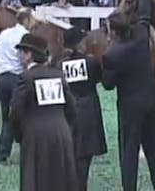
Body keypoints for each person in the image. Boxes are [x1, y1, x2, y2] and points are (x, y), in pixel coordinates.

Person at [102, 0, 155, 191]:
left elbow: (108, 84)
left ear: (113, 30)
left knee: (129, 153)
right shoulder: (141, 36)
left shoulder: (112, 54)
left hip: (130, 107)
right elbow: (145, 16)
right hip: (150, 101)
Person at [10, 33, 78, 191]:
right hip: (62, 133)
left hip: (36, 135)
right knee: (61, 180)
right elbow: (72, 108)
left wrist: (20, 135)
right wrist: (65, 127)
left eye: (21, 52)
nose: (19, 56)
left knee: (37, 181)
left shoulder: (26, 78)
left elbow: (15, 112)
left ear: (29, 55)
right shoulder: (58, 75)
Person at [60, 27, 107, 191]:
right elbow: (101, 79)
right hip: (88, 112)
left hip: (66, 113)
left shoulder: (60, 65)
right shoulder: (91, 62)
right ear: (79, 42)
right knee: (83, 162)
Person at [0, 8, 35, 164]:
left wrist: (5, 58)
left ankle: (3, 153)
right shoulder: (25, 36)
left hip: (2, 77)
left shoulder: (4, 33)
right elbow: (25, 58)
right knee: (21, 115)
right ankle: (23, 150)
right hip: (16, 77)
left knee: (7, 117)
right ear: (27, 20)